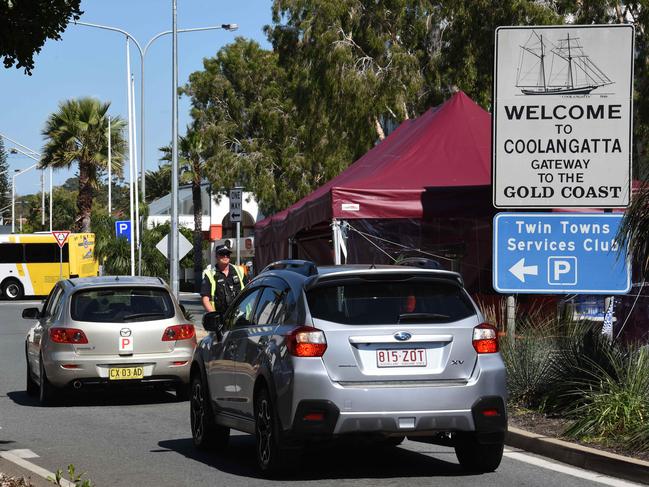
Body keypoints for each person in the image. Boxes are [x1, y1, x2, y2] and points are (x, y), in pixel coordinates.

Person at [201, 244, 249, 313]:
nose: (225, 256)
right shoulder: (210, 275)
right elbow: (205, 299)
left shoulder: (239, 271)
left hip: (241, 316)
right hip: (221, 317)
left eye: (227, 254)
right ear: (216, 256)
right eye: (222, 254)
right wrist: (214, 315)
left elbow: (249, 291)